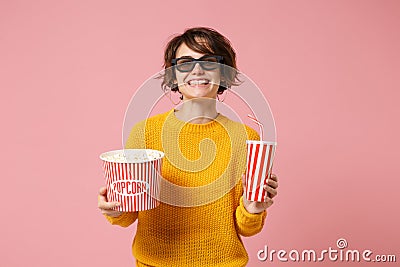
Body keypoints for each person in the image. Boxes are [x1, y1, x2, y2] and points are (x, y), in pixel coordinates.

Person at [98, 27, 279, 267]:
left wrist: (253, 207)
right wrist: (114, 209)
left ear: (224, 73)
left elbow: (247, 229)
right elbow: (128, 215)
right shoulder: (144, 133)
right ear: (173, 75)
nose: (197, 69)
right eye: (185, 62)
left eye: (209, 61)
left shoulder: (246, 138)